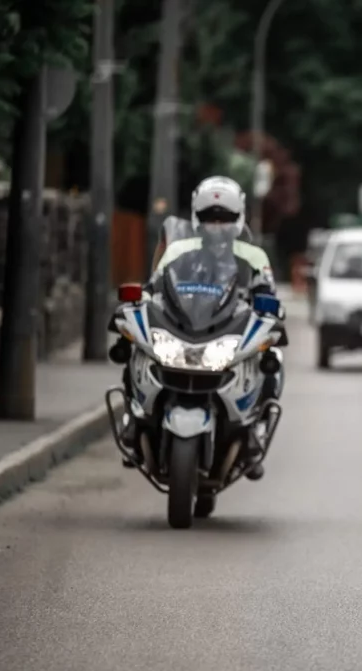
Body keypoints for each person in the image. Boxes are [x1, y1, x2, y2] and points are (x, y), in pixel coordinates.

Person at [112, 176, 285, 480]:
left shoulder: (254, 255)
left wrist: (270, 308)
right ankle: (133, 423)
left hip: (229, 325)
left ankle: (255, 431)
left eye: (225, 218)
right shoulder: (180, 249)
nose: (217, 225)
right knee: (136, 348)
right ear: (196, 218)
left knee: (272, 361)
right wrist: (142, 302)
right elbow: (155, 286)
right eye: (209, 218)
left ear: (238, 219)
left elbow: (267, 292)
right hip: (185, 325)